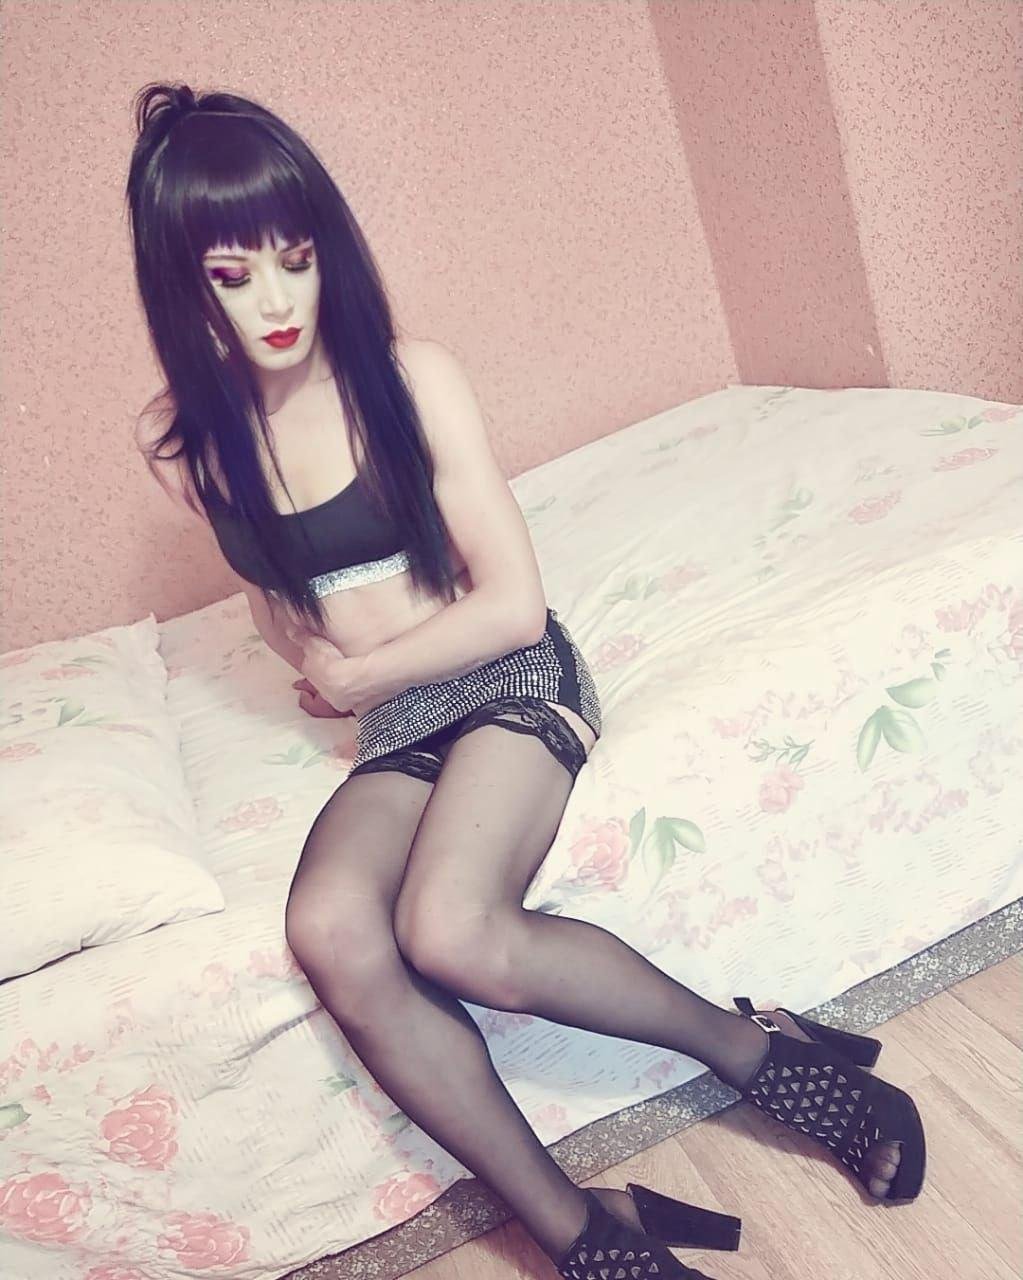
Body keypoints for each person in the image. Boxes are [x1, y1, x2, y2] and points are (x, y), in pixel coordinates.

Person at [126, 82, 925, 1280]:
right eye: (235, 274)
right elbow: (271, 592)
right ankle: (583, 1231)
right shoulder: (184, 443)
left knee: (450, 926)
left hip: (502, 669)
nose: (279, 301)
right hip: (396, 716)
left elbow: (508, 603)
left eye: (296, 259)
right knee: (329, 926)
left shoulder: (408, 377)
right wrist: (321, 668)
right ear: (183, 286)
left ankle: (766, 1054)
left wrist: (359, 669)